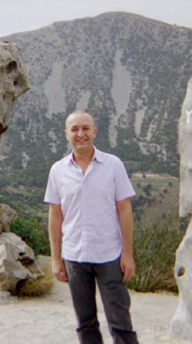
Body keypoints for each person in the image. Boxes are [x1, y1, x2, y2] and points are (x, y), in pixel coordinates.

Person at [45, 110, 139, 344]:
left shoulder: (113, 165)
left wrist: (127, 254)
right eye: (75, 129)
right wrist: (56, 259)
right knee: (85, 324)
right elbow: (55, 215)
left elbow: (124, 210)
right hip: (75, 256)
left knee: (120, 323)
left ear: (94, 132)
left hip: (109, 255)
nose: (81, 134)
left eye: (86, 128)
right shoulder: (58, 170)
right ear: (66, 134)